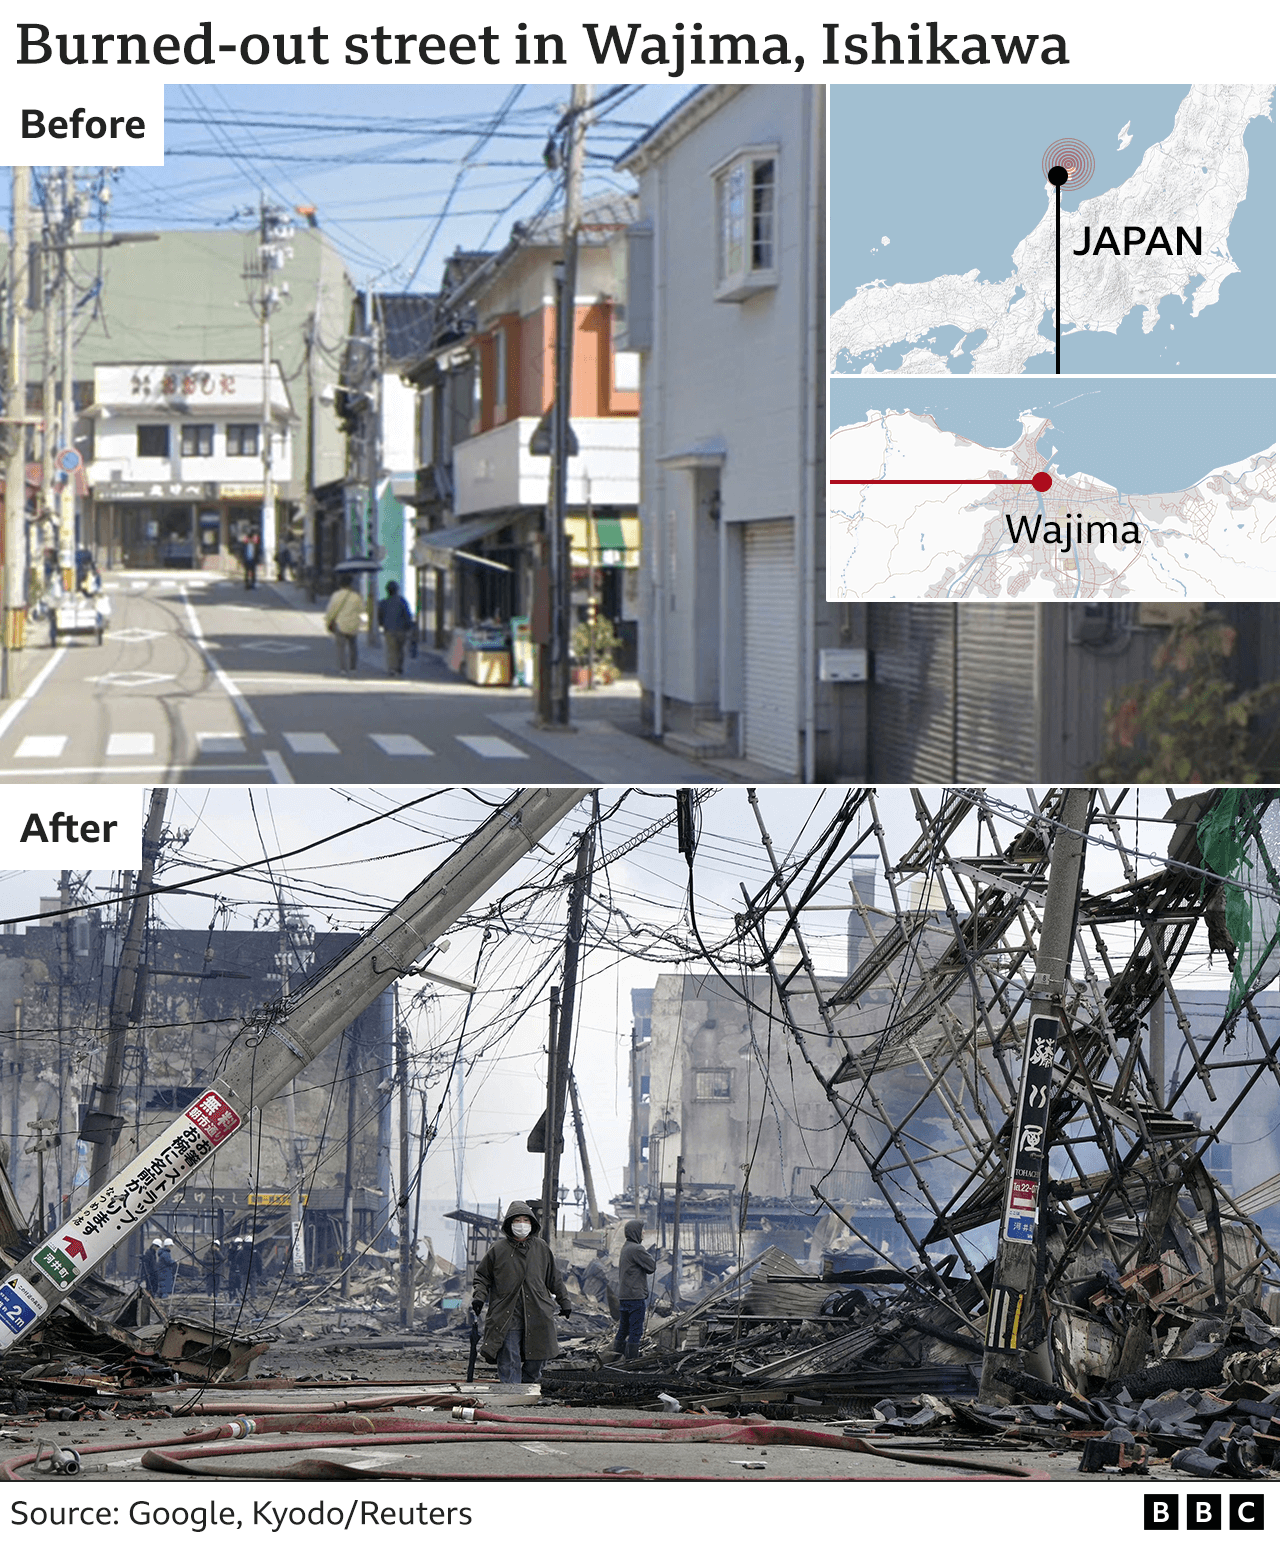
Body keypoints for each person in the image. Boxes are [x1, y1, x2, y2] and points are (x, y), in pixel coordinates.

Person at [472, 1200, 572, 1384]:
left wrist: (564, 1301)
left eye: (525, 1220)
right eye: (517, 1220)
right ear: (510, 1224)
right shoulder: (498, 1250)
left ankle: (527, 1388)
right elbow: (482, 1276)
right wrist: (479, 1296)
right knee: (509, 1358)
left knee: (538, 1357)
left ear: (531, 1223)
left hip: (538, 1312)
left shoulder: (541, 1248)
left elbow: (554, 1278)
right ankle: (512, 1395)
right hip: (508, 1314)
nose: (522, 1224)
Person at [613, 1220, 656, 1360]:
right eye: (641, 1229)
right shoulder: (637, 1249)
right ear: (635, 1232)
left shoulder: (626, 1247)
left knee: (623, 1329)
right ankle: (631, 1363)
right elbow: (651, 1267)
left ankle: (615, 1358)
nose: (644, 1232)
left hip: (624, 1296)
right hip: (635, 1297)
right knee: (636, 1332)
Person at [324, 574, 365, 676]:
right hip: (353, 625)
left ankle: (343, 668)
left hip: (340, 624)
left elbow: (331, 611)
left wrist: (328, 621)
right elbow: (362, 609)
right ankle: (353, 667)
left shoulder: (336, 595)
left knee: (341, 647)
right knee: (353, 646)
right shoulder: (356, 596)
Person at [376, 580, 414, 677]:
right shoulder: (402, 601)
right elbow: (407, 615)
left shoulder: (383, 602)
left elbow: (379, 616)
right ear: (397, 590)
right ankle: (399, 668)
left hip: (389, 629)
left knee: (391, 650)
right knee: (400, 650)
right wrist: (409, 626)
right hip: (402, 630)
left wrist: (381, 624)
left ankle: (392, 668)